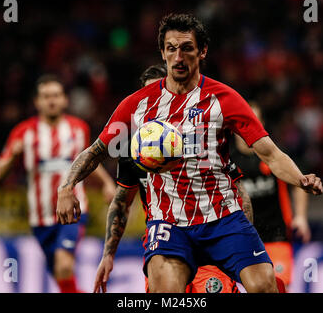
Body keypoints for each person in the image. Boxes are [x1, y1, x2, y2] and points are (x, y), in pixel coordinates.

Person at [57, 13, 323, 293]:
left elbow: (270, 153)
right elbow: (97, 151)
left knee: (264, 286)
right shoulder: (137, 105)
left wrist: (300, 178)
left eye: (186, 48)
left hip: (223, 218)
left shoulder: (225, 99)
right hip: (169, 223)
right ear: (162, 53)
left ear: (202, 51)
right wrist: (67, 187)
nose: (178, 56)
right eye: (171, 48)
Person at [93, 64, 249, 293]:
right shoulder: (132, 152)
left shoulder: (201, 142)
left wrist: (239, 245)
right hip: (163, 245)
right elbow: (121, 203)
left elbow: (240, 193)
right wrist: (108, 255)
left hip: (208, 241)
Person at [0, 74, 116, 293]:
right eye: (46, 96)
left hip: (73, 212)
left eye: (56, 95)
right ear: (37, 102)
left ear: (65, 100)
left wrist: (107, 183)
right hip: (40, 217)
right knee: (62, 277)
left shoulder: (78, 128)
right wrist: (13, 156)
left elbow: (87, 164)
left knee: (64, 265)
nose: (52, 100)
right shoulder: (23, 132)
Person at [231, 101, 310, 290]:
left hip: (276, 236)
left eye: (253, 120)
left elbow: (299, 183)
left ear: (261, 124)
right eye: (243, 121)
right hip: (237, 239)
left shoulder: (275, 155)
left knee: (279, 287)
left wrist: (300, 216)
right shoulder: (226, 158)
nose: (247, 126)